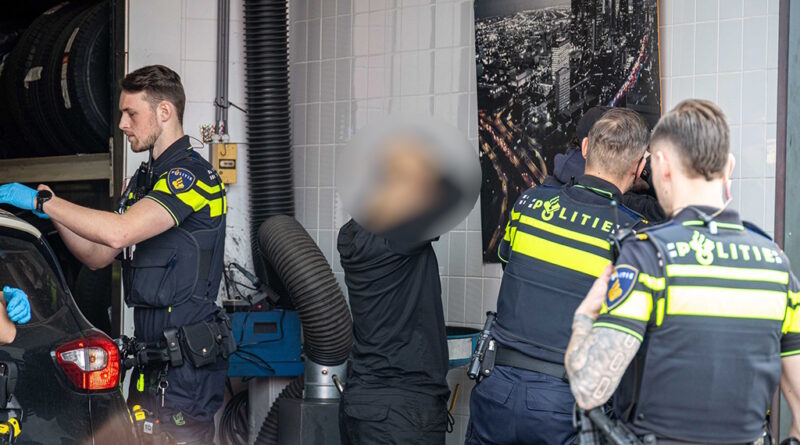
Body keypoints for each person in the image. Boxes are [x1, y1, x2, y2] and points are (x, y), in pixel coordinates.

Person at [0, 65, 230, 444]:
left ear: (164, 111)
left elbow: (119, 232)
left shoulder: (192, 177)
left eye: (131, 113)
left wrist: (45, 202)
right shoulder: (142, 182)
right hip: (150, 364)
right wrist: (52, 212)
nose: (123, 124)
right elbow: (97, 254)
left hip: (187, 367)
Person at [565, 99, 800, 443]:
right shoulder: (776, 267)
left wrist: (585, 316)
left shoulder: (647, 257)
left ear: (661, 166)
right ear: (729, 167)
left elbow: (589, 388)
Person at [464, 108, 650, 445]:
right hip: (565, 404)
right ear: (639, 166)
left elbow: (512, 266)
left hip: (496, 389)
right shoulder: (633, 235)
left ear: (585, 148)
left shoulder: (529, 204)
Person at [337, 125, 479, 445]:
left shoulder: (351, 233)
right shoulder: (399, 232)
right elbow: (454, 192)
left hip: (361, 402)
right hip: (402, 411)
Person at [546, 106, 666, 224]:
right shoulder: (628, 212)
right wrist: (648, 164)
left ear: (585, 146)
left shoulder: (546, 191)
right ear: (639, 166)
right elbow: (670, 209)